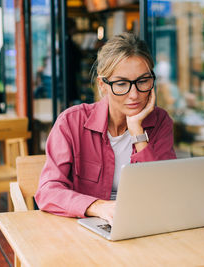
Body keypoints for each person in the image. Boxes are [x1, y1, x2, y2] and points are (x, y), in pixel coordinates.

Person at [35, 32, 177, 224]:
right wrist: (98, 206)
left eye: (143, 81)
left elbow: (163, 191)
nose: (134, 94)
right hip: (85, 229)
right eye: (121, 84)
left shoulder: (160, 122)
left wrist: (137, 131)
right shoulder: (71, 122)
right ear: (103, 85)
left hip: (144, 225)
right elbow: (47, 191)